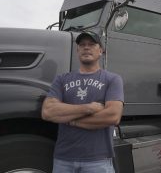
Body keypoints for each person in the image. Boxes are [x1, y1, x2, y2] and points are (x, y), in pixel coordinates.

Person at [41, 30, 124, 173]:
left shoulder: (112, 79)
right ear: (77, 50)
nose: (86, 47)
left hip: (98, 160)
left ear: (101, 51)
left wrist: (69, 120)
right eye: (82, 44)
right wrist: (88, 108)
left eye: (91, 44)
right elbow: (48, 112)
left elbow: (112, 116)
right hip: (63, 160)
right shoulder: (62, 79)